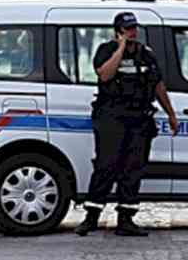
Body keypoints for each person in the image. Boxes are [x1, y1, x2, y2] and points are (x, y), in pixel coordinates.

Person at [75, 12, 178, 237]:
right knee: (106, 166)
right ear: (118, 31)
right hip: (112, 118)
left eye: (134, 28)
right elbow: (104, 75)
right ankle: (91, 218)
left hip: (139, 119)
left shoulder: (146, 54)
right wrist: (120, 49)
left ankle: (126, 220)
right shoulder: (106, 50)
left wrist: (171, 114)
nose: (133, 32)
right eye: (128, 28)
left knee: (133, 169)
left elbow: (158, 86)